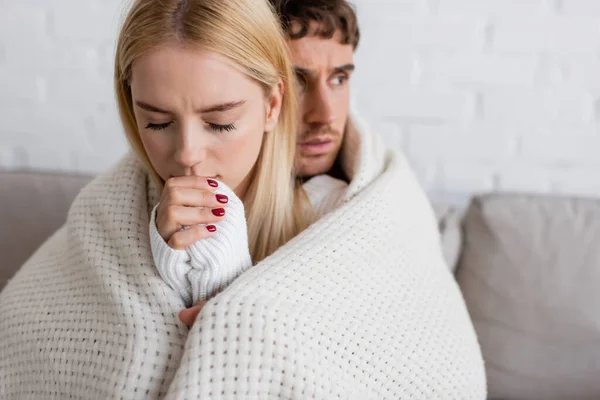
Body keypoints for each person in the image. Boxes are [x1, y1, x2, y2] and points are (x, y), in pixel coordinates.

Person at [0, 0, 486, 398]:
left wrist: (233, 310)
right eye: (157, 122)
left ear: (271, 105)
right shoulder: (113, 210)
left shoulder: (343, 210)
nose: (188, 155)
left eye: (220, 122)